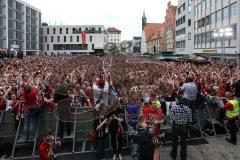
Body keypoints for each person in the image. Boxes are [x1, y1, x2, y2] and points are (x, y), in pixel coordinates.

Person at [170, 96, 192, 160]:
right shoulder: (187, 108)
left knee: (174, 142)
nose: (175, 101)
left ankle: (174, 156)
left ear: (178, 101)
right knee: (183, 143)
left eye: (176, 100)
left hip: (176, 126)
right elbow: (190, 120)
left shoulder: (174, 108)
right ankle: (183, 157)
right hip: (184, 127)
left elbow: (171, 118)